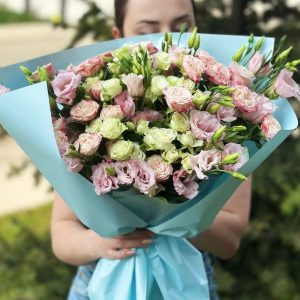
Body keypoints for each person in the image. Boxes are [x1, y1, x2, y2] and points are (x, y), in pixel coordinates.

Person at [51, 0, 252, 299]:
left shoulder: (226, 111)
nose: (167, 40)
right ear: (118, 35)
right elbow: (62, 233)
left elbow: (229, 240)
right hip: (101, 279)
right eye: (148, 29)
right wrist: (99, 243)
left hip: (186, 281)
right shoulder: (88, 114)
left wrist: (173, 215)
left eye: (182, 27)